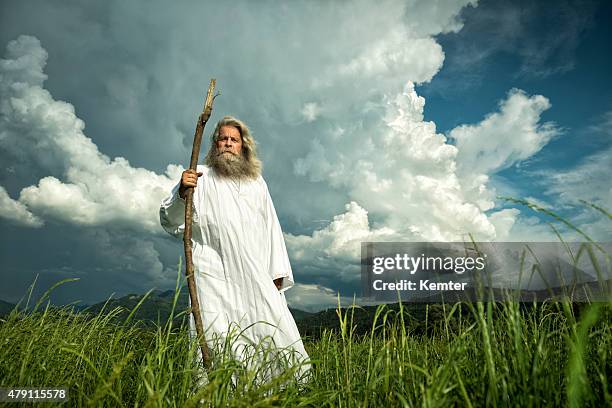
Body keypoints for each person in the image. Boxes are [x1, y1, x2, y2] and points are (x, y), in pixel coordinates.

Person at [159, 115, 310, 383]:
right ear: (215, 144)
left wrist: (276, 272)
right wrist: (182, 192)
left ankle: (280, 391)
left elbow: (271, 227)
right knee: (215, 335)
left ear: (243, 146)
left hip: (254, 274)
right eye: (223, 139)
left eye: (234, 140)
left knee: (271, 329)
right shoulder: (199, 177)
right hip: (212, 275)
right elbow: (170, 220)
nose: (228, 143)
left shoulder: (256, 183)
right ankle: (216, 394)